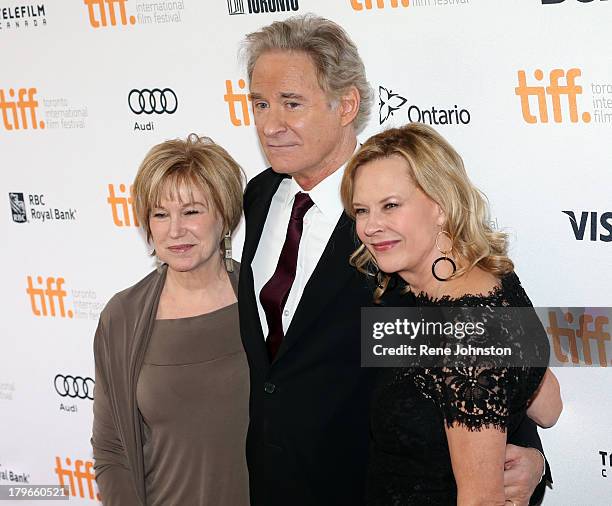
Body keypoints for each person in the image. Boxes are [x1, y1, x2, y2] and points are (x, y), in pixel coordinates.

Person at [238, 14, 552, 506]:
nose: (269, 123)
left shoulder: (405, 227)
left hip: (365, 486)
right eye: (259, 103)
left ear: (346, 105)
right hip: (271, 481)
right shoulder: (258, 197)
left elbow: (479, 350)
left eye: (290, 104)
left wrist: (524, 457)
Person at [340, 122, 562, 505]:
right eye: (362, 210)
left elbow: (480, 500)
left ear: (440, 207)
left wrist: (526, 467)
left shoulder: (467, 330)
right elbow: (547, 404)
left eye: (391, 205)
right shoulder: (484, 279)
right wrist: (527, 460)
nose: (371, 226)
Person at [91, 134, 248, 506]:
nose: (175, 230)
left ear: (224, 215)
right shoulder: (123, 317)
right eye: (160, 214)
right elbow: (112, 450)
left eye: (192, 211)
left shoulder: (266, 301)